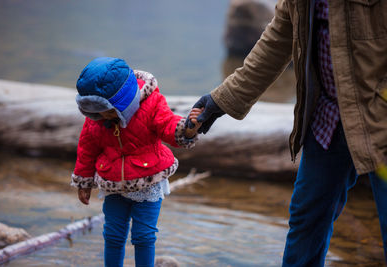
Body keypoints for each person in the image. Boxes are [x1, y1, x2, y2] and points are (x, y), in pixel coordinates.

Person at [188, 0, 387, 266]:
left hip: (380, 119)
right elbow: (279, 37)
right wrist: (223, 99)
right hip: (327, 115)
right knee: (307, 217)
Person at [71, 57, 202, 267]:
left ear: (123, 100)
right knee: (113, 235)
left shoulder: (152, 103)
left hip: (148, 181)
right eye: (94, 110)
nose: (101, 115)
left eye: (105, 109)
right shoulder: (97, 117)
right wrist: (84, 182)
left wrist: (188, 129)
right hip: (113, 182)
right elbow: (87, 148)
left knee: (143, 236)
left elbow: (168, 125)